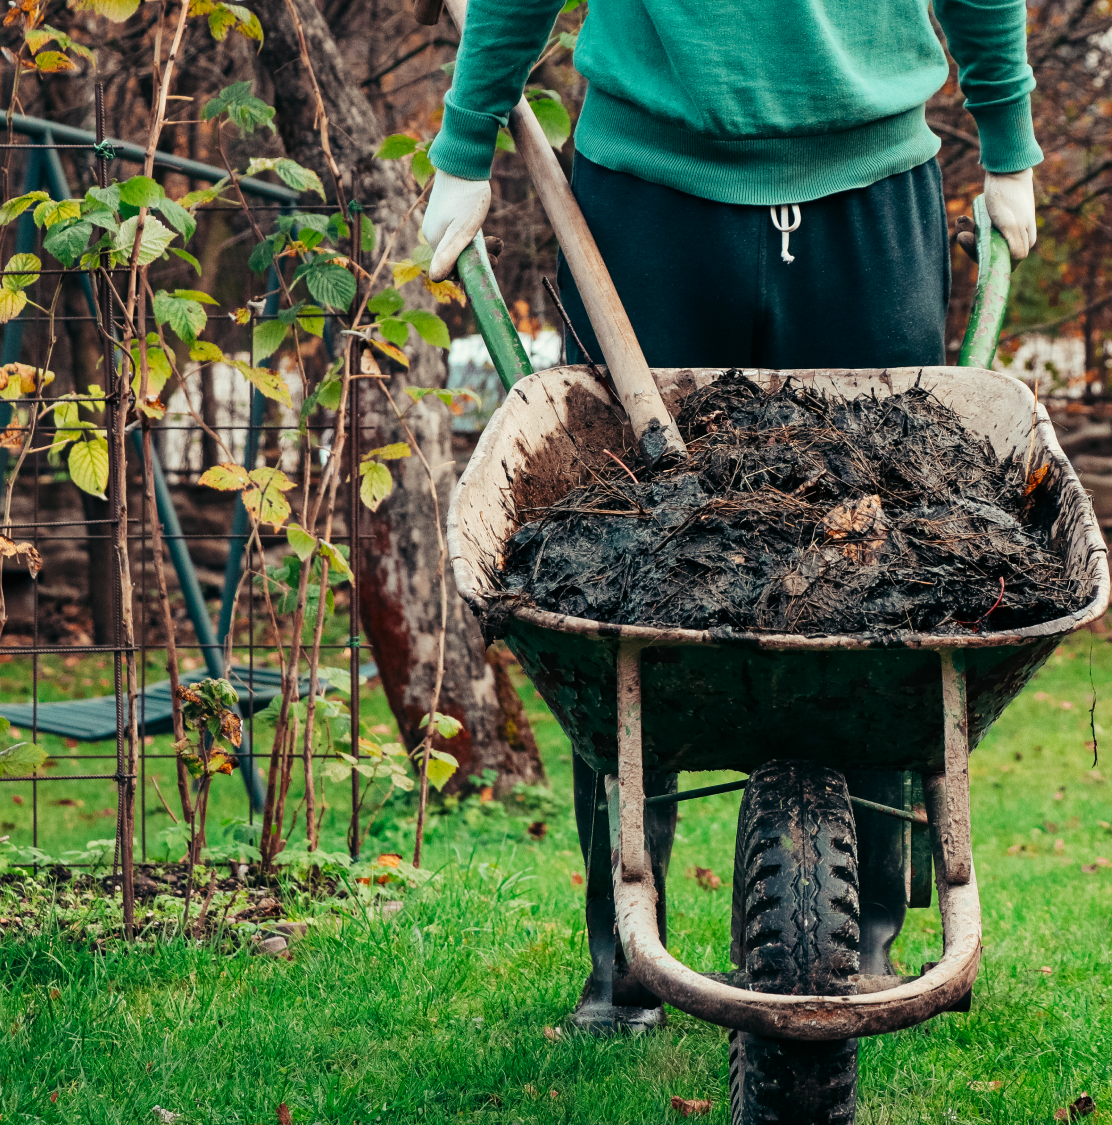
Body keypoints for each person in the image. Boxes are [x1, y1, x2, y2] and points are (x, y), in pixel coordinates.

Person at [422, 0, 1042, 1032]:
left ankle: (869, 926)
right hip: (646, 196)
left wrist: (1008, 138)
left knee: (884, 551)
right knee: (609, 557)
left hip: (869, 191)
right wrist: (461, 142)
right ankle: (622, 950)